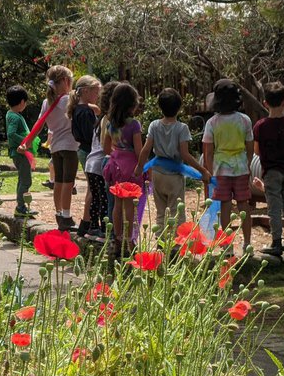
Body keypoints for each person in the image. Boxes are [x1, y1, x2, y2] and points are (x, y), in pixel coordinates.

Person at [135, 88, 210, 233]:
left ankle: (159, 238)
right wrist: (202, 170)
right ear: (179, 108)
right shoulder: (182, 128)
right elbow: (185, 155)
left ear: (160, 107)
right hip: (174, 176)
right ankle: (175, 242)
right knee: (176, 212)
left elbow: (146, 149)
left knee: (161, 211)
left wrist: (139, 167)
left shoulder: (154, 125)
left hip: (158, 174)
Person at [20, 65, 78, 231]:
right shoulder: (69, 99)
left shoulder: (47, 102)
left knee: (58, 182)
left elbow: (39, 125)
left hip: (55, 147)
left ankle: (59, 214)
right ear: (66, 81)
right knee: (68, 182)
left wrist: (27, 142)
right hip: (70, 146)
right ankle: (66, 216)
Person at [202, 79, 254, 251]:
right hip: (241, 168)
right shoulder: (245, 120)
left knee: (225, 206)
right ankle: (247, 243)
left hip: (220, 170)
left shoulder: (212, 123)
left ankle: (227, 246)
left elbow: (208, 151)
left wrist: (210, 172)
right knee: (243, 204)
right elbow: (250, 146)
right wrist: (247, 164)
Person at [252, 81, 284, 257]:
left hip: (271, 171)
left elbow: (257, 150)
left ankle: (276, 242)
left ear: (265, 103)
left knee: (274, 208)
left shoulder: (260, 126)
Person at [103, 82, 145, 255]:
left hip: (115, 165)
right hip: (131, 166)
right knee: (129, 205)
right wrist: (144, 166)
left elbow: (106, 148)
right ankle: (129, 240)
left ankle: (118, 238)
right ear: (132, 104)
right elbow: (139, 150)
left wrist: (117, 152)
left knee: (117, 204)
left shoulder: (110, 124)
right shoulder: (134, 125)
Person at [83, 80, 120, 242]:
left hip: (90, 163)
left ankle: (93, 227)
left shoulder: (101, 118)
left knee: (96, 198)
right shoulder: (110, 120)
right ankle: (105, 230)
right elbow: (109, 145)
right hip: (99, 164)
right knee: (104, 199)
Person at [69, 75, 102, 236]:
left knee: (91, 187)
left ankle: (87, 222)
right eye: (96, 92)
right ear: (86, 91)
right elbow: (91, 135)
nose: (98, 96)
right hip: (89, 151)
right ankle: (87, 222)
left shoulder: (79, 109)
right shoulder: (85, 112)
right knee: (92, 189)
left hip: (83, 149)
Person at [5, 86, 38, 218]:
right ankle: (20, 207)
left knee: (22, 179)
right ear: (22, 101)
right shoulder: (15, 117)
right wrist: (25, 142)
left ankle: (21, 206)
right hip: (21, 153)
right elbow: (11, 133)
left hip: (19, 153)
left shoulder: (11, 114)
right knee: (26, 181)